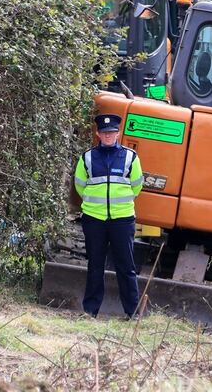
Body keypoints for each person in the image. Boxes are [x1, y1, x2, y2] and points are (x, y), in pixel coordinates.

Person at [73, 113, 143, 319]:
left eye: (112, 132)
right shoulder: (87, 158)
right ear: (98, 134)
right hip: (94, 220)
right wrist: (93, 205)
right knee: (95, 265)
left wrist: (121, 204)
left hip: (122, 220)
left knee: (126, 267)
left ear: (118, 133)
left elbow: (137, 185)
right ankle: (90, 311)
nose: (108, 136)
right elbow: (80, 185)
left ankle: (133, 313)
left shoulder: (131, 157)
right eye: (104, 133)